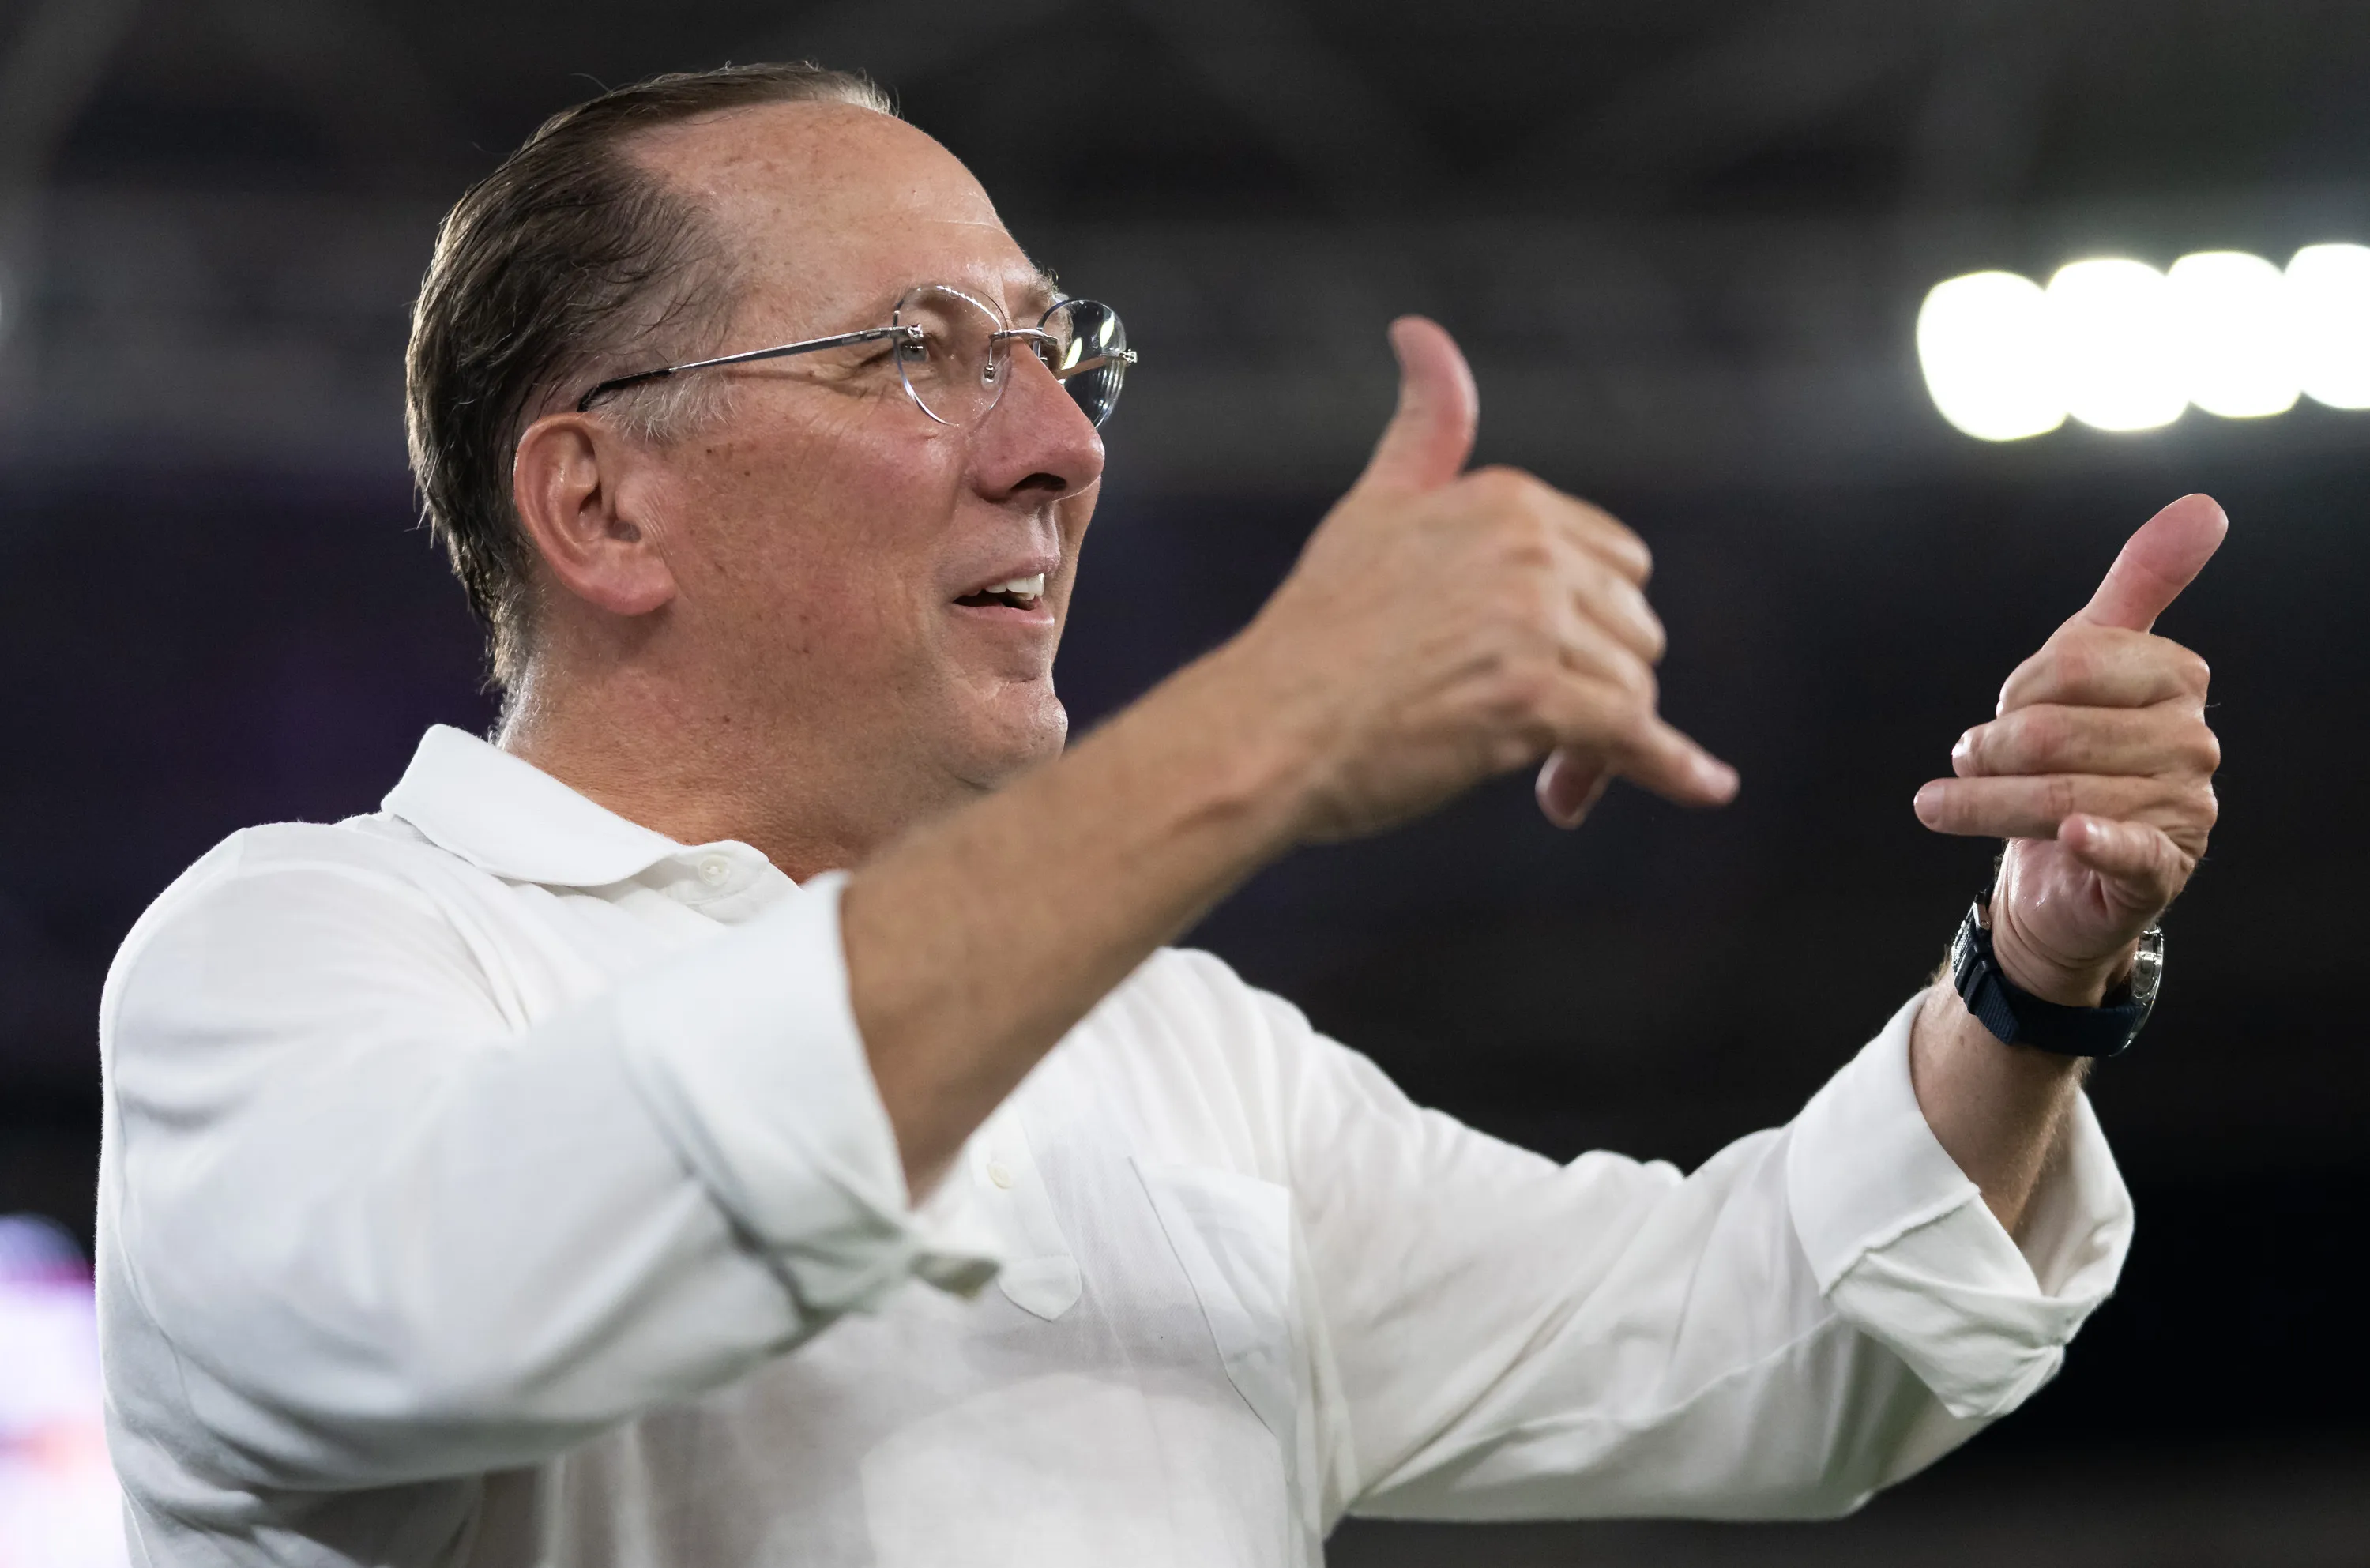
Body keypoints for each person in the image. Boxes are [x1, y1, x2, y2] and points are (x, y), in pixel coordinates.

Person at [95, 63, 2221, 1568]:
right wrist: (1265, 731)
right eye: (915, 356)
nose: (1054, 447)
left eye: (1056, 352)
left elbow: (1776, 1345)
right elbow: (480, 1284)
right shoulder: (306, 951)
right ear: (600, 500)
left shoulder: (1182, 1055)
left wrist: (2032, 974)